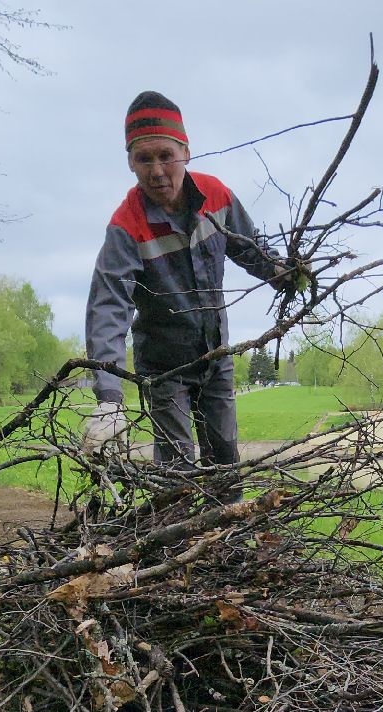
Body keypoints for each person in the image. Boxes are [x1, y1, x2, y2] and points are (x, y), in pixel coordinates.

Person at [82, 91, 304, 482]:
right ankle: (177, 538)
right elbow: (108, 309)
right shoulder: (125, 227)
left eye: (165, 155)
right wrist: (109, 398)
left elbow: (251, 249)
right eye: (143, 159)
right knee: (177, 472)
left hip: (215, 356)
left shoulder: (216, 197)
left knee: (225, 463)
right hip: (165, 368)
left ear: (185, 150)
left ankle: (228, 542)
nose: (156, 171)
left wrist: (287, 274)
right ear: (130, 162)